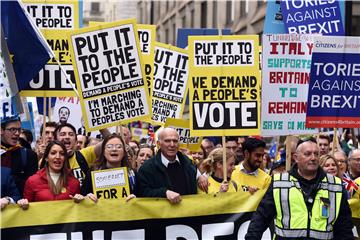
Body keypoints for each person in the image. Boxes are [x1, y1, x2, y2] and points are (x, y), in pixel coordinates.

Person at [245, 138, 354, 240]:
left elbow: (344, 225)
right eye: (307, 154)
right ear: (296, 158)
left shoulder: (335, 185)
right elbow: (261, 218)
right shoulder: (279, 182)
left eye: (316, 154)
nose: (313, 158)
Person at [137, 128, 198, 204]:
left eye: (175, 141)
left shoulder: (188, 163)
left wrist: (200, 176)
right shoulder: (147, 168)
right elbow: (142, 193)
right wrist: (164, 193)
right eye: (167, 141)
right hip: (162, 215)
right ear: (159, 144)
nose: (172, 145)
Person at [81, 134, 136, 200]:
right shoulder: (93, 173)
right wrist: (87, 197)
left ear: (124, 152)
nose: (114, 149)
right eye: (109, 147)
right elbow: (83, 197)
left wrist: (135, 199)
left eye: (119, 147)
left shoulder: (132, 174)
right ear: (103, 152)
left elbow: (142, 199)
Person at [1, 116, 38, 196]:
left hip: (20, 205)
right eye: (12, 129)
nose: (17, 133)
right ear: (1, 130)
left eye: (19, 129)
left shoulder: (29, 155)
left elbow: (31, 186)